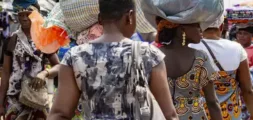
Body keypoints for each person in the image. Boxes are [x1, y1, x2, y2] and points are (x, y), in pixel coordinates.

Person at [48, 0, 178, 119]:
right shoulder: (149, 54)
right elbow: (169, 115)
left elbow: (60, 114)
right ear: (130, 17)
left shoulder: (74, 57)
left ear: (100, 19)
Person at [189, 15, 253, 120]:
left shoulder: (190, 47)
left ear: (200, 26)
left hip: (198, 114)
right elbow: (247, 89)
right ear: (221, 27)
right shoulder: (236, 48)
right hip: (230, 114)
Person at [0, 5, 60, 119]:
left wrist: (44, 74)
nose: (24, 18)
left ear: (36, 16)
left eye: (28, 14)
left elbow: (59, 67)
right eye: (21, 15)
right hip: (14, 99)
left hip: (36, 97)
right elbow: (6, 72)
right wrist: (0, 102)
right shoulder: (12, 40)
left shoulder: (43, 38)